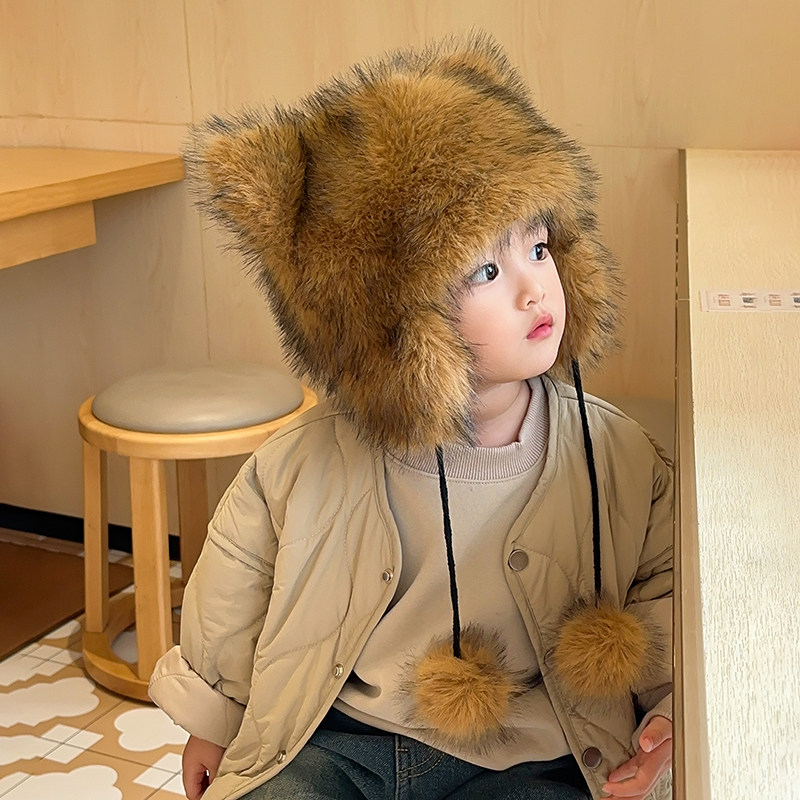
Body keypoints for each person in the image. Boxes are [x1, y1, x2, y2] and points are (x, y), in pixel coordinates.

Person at [149, 33, 673, 800]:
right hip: (338, 740)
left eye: (538, 248)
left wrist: (666, 714)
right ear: (392, 321)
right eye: (487, 270)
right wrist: (213, 719)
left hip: (529, 751)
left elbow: (664, 586)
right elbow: (236, 585)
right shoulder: (303, 463)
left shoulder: (618, 455)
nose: (535, 289)